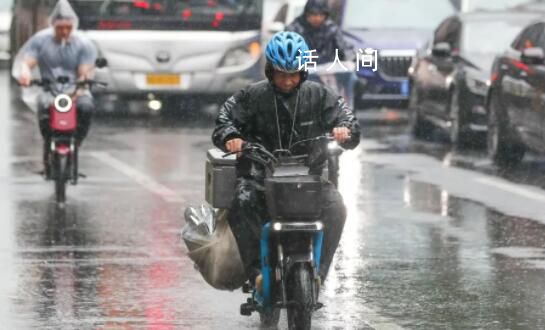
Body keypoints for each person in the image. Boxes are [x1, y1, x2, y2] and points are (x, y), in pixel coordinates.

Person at [212, 31, 360, 285]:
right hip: (259, 179)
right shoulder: (251, 96)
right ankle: (256, 273)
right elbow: (224, 120)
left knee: (337, 207)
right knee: (241, 202)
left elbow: (347, 119)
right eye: (282, 74)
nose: (288, 81)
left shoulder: (319, 95)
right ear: (270, 71)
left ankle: (319, 274)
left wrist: (344, 130)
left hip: (309, 182)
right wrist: (231, 136)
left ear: (302, 72)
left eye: (293, 74)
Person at [16, 0, 97, 177]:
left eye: (68, 27)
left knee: (86, 108)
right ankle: (48, 150)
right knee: (44, 111)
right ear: (53, 25)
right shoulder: (40, 41)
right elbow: (28, 60)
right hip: (49, 90)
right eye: (60, 28)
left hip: (76, 90)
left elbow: (85, 71)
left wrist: (78, 90)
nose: (64, 31)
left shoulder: (83, 44)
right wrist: (25, 72)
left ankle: (77, 142)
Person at [286, 0, 352, 64]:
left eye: (321, 15)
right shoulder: (294, 30)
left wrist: (349, 58)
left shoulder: (331, 29)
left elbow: (345, 49)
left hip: (328, 71)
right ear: (307, 14)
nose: (317, 18)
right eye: (314, 14)